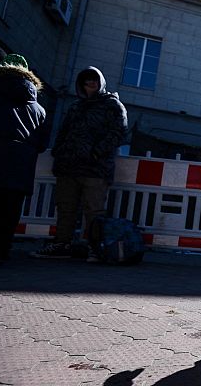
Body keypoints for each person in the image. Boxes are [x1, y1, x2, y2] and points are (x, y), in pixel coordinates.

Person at [31, 67, 127, 262]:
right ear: (81, 84)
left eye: (94, 80)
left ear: (101, 82)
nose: (91, 83)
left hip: (95, 169)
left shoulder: (112, 105)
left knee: (94, 211)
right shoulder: (76, 106)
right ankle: (62, 244)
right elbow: (63, 131)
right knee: (66, 208)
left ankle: (95, 248)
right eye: (86, 80)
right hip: (69, 167)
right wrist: (59, 152)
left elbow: (118, 132)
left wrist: (96, 153)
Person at [0, 53, 50, 267]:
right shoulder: (39, 109)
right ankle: (2, 250)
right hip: (21, 167)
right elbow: (43, 143)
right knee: (10, 210)